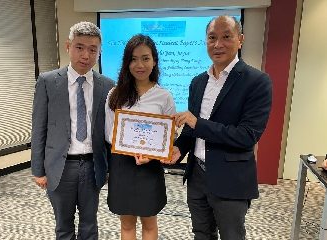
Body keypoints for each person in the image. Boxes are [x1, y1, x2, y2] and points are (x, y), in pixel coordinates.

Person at [171, 16, 273, 240]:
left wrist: (197, 123)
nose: (218, 44)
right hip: (196, 175)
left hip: (231, 179)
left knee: (231, 236)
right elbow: (191, 131)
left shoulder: (257, 82)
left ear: (240, 40)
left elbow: (247, 136)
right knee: (201, 234)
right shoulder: (198, 82)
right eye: (212, 38)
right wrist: (179, 149)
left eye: (226, 37)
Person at [31, 21, 114, 240]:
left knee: (89, 224)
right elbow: (39, 126)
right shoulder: (48, 81)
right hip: (60, 166)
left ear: (99, 52)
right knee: (63, 226)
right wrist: (38, 169)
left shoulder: (107, 85)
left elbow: (109, 131)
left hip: (92, 165)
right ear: (68, 46)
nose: (86, 55)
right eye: (79, 47)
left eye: (92, 49)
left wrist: (110, 168)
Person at [105, 34, 176, 240]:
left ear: (154, 61)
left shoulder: (164, 96)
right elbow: (110, 133)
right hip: (122, 165)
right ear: (127, 63)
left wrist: (152, 153)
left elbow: (169, 135)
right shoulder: (115, 94)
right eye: (133, 59)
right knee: (127, 225)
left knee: (149, 223)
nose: (140, 64)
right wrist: (128, 147)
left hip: (150, 167)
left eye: (145, 58)